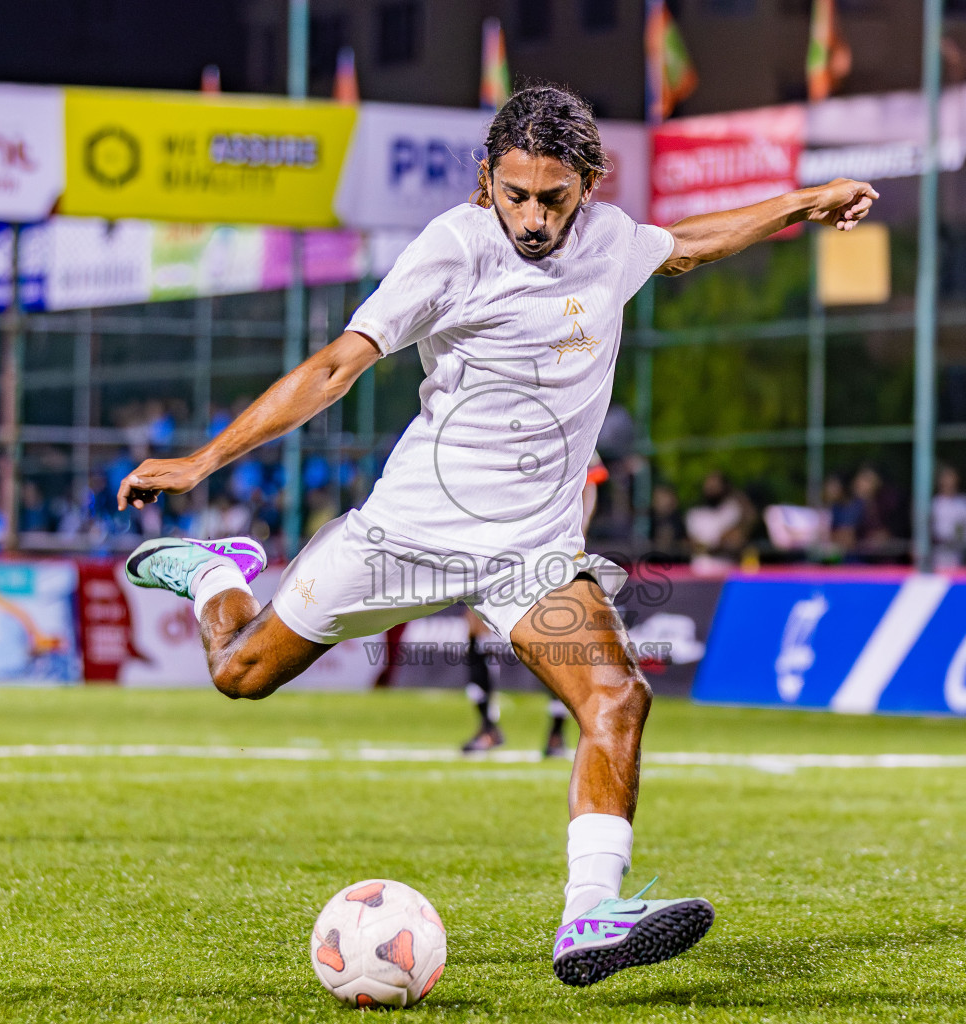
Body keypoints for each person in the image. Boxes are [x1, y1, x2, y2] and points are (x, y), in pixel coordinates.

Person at [115, 85, 877, 987]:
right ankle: (217, 576)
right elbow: (334, 369)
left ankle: (589, 914)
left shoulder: (610, 240)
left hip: (532, 552)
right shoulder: (453, 248)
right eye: (516, 194)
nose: (534, 217)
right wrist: (202, 461)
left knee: (617, 700)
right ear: (487, 180)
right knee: (240, 672)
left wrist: (805, 200)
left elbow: (689, 245)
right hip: (409, 532)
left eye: (554, 197)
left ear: (588, 182)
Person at [462, 452, 609, 757]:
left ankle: (557, 733)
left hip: (549, 547)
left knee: (556, 634)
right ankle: (488, 728)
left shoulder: (565, 430)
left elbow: (590, 481)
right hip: (502, 542)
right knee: (476, 627)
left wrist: (577, 533)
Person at [931, 464, 966, 570]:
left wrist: (964, 542)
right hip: (938, 559)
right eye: (946, 479)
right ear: (940, 482)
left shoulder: (965, 503)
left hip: (961, 560)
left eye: (951, 479)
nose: (949, 483)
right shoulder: (934, 505)